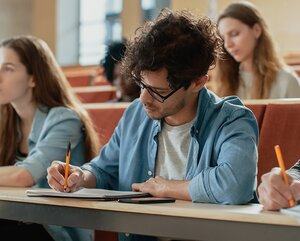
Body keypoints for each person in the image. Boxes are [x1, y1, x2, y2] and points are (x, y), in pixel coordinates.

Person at [47, 8, 259, 241]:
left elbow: (235, 185)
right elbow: (103, 170)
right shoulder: (135, 115)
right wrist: (79, 175)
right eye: (141, 84)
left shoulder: (233, 120)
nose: (143, 99)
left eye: (158, 92)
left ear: (198, 81)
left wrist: (166, 188)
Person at [0, 35, 100, 241]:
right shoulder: (6, 121)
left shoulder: (65, 120)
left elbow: (24, 176)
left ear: (33, 78)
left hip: (56, 230)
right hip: (16, 219)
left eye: (8, 68)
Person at [208, 1, 300, 99]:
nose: (227, 45)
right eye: (223, 39)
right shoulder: (223, 82)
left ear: (256, 30)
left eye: (234, 34)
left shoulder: (287, 81)